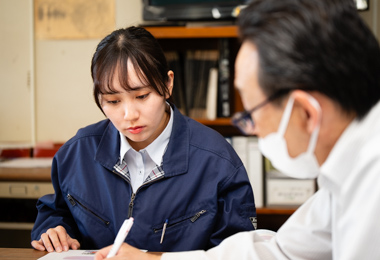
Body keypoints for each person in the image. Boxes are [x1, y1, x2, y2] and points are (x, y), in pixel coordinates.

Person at [94, 0, 380, 259]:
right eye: (113, 100)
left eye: (252, 112)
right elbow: (280, 251)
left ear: (306, 112)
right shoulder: (345, 176)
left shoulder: (372, 182)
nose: (252, 129)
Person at [31, 26, 257, 253]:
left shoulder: (217, 161)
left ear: (168, 84)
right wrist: (54, 229)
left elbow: (238, 252)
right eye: (113, 101)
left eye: (142, 96)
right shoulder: (77, 153)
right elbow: (56, 210)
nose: (129, 115)